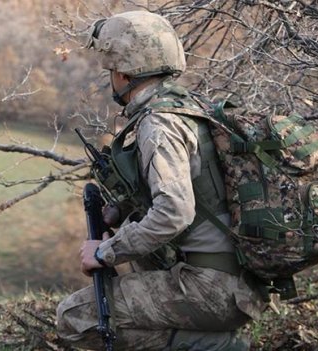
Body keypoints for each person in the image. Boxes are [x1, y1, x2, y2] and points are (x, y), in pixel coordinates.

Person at [56, 11, 266, 350]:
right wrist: (121, 210)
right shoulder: (190, 107)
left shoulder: (159, 125)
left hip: (211, 288)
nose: (111, 79)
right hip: (236, 281)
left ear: (123, 73)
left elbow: (174, 213)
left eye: (111, 71)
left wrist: (106, 251)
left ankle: (218, 346)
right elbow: (202, 192)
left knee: (77, 317)